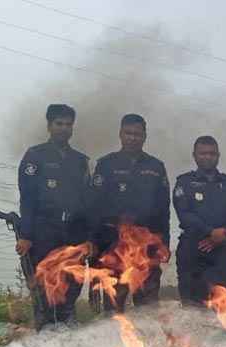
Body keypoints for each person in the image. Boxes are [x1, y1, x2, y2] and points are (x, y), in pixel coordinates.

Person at [15, 103, 91, 329]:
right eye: (59, 123)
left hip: (74, 232)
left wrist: (88, 237)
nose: (64, 128)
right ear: (49, 126)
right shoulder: (35, 156)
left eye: (68, 124)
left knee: (73, 281)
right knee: (44, 285)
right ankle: (44, 331)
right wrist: (26, 235)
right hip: (44, 230)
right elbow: (27, 198)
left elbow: (88, 202)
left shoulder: (80, 161)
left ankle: (67, 323)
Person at [88, 113, 170, 312]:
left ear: (144, 136)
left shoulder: (156, 167)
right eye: (128, 133)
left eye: (137, 134)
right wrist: (95, 247)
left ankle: (148, 343)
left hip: (146, 249)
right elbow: (94, 207)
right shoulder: (106, 165)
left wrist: (164, 244)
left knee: (148, 308)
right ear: (120, 134)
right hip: (114, 247)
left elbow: (163, 209)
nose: (132, 138)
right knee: (113, 308)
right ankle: (113, 341)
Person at [171, 136, 226, 306]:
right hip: (193, 252)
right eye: (203, 153)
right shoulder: (185, 182)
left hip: (223, 252)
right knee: (193, 309)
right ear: (194, 156)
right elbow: (184, 214)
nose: (207, 157)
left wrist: (223, 235)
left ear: (218, 156)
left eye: (212, 153)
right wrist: (211, 233)